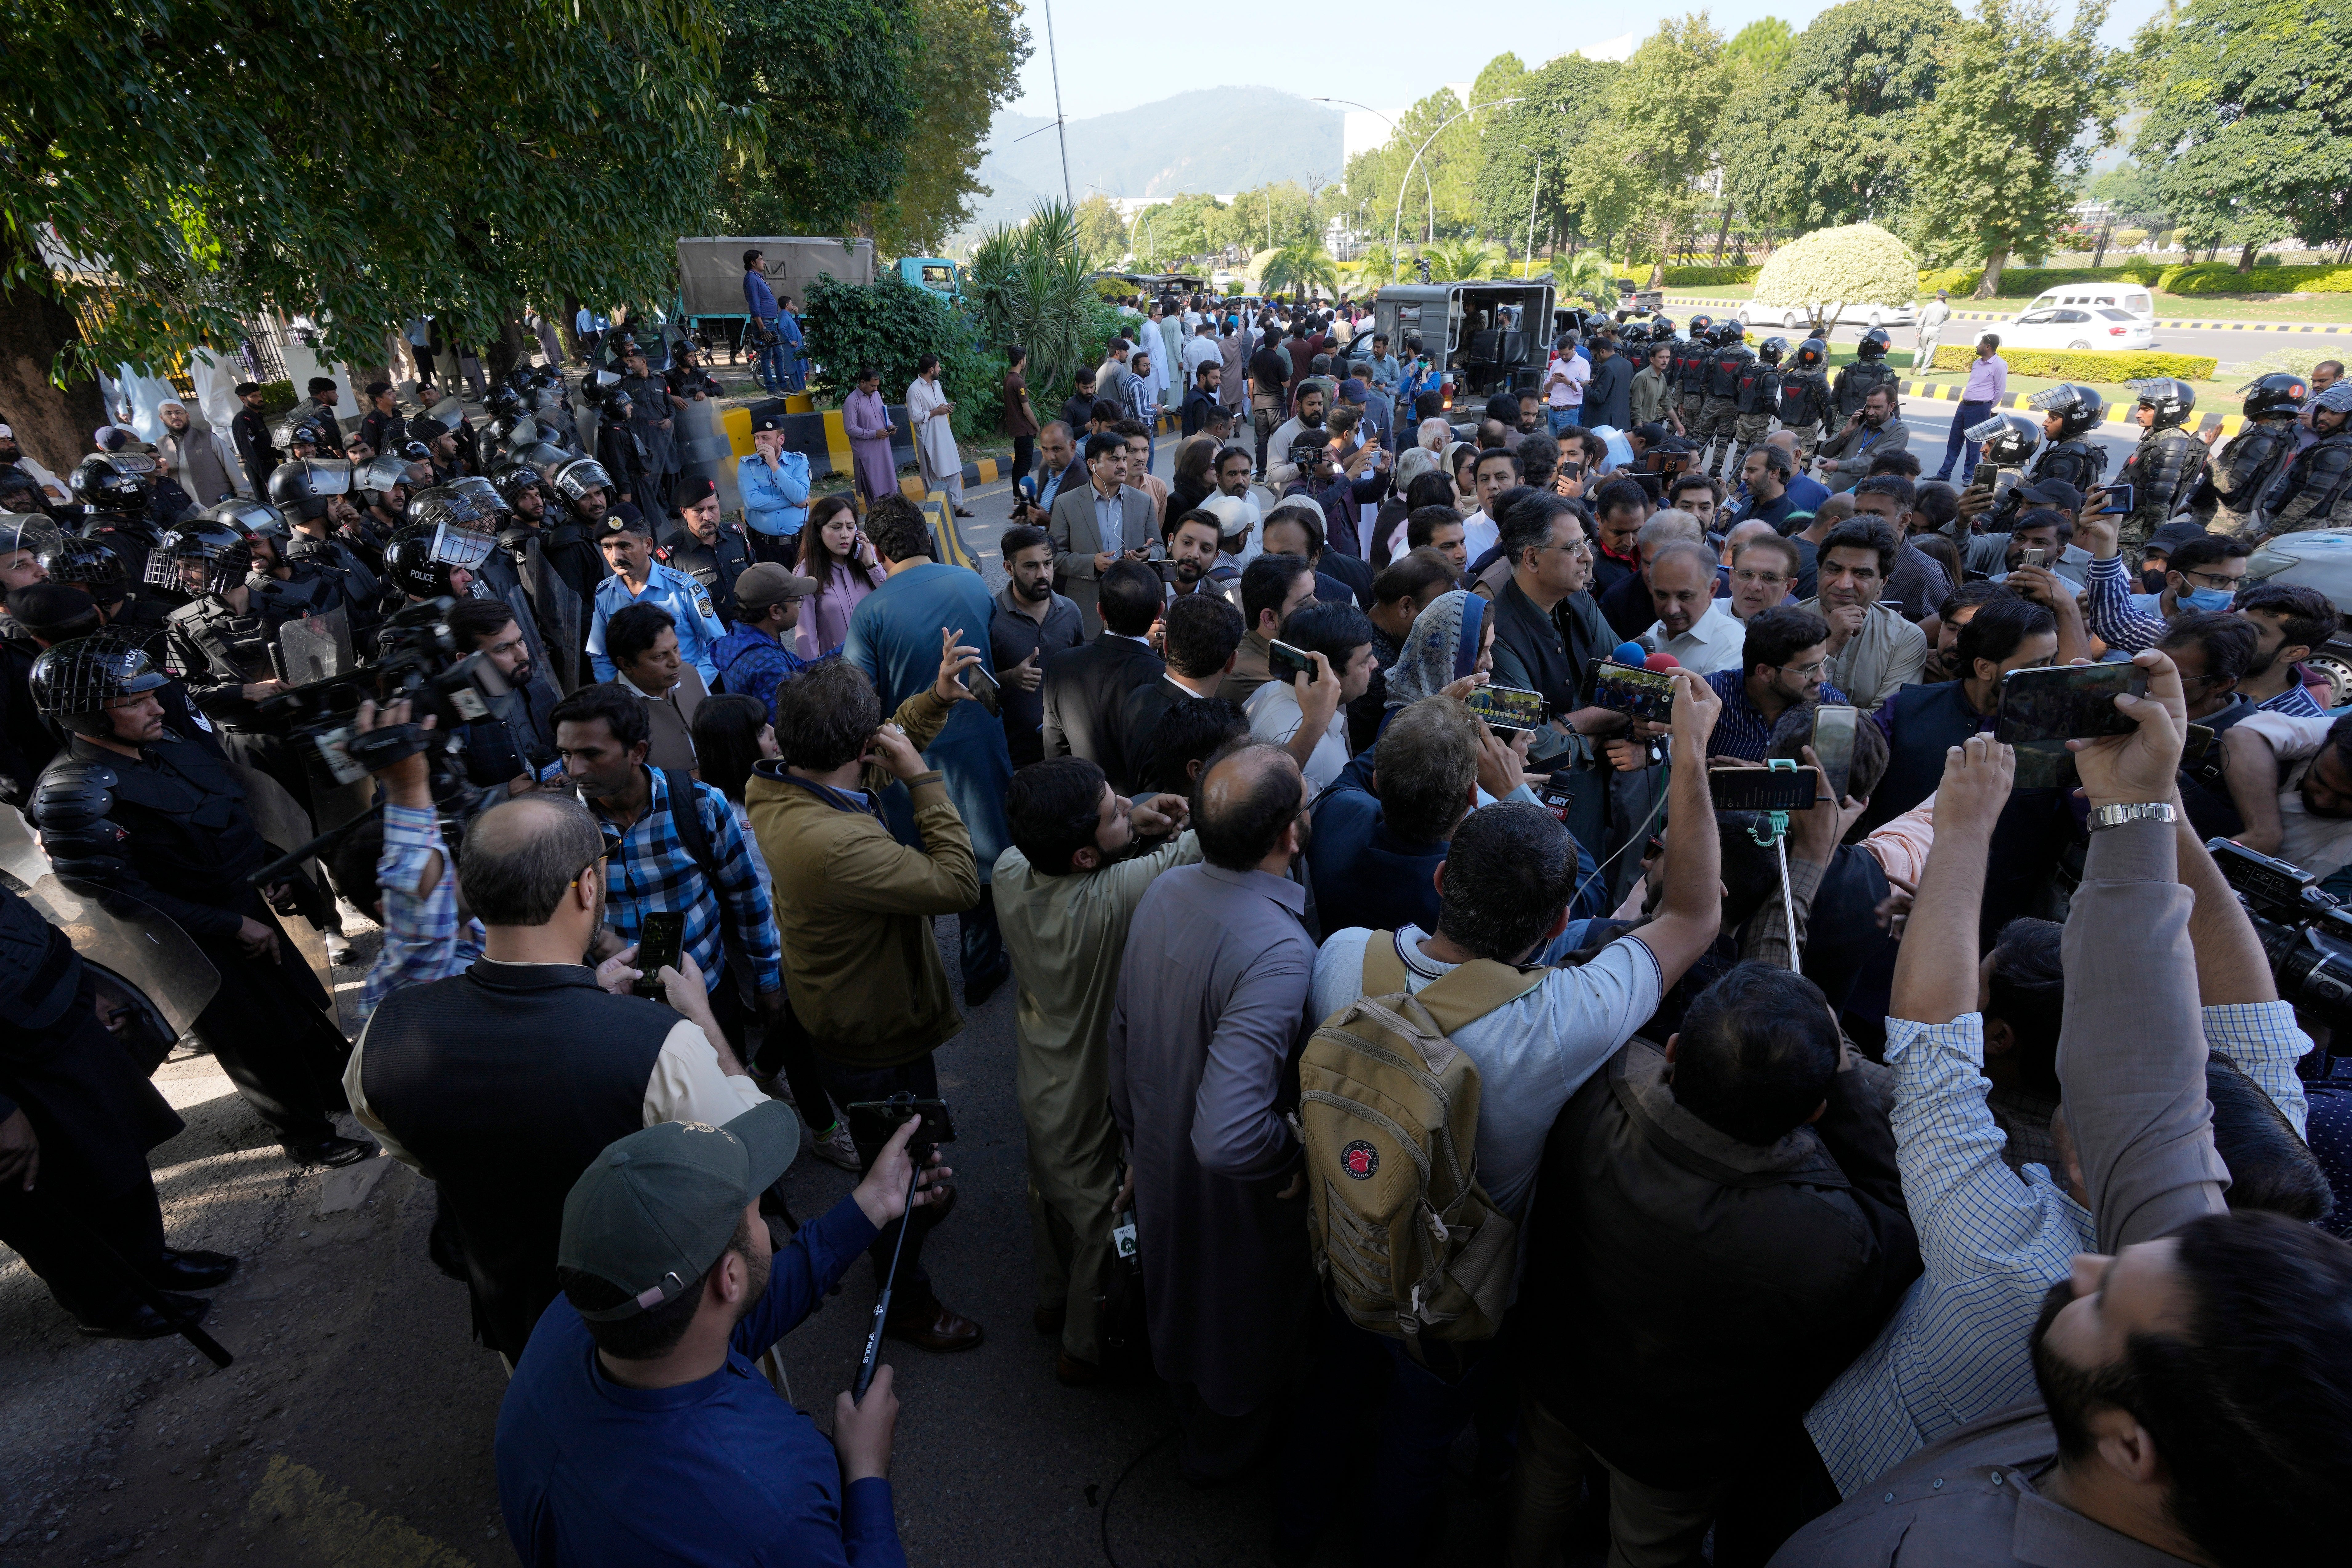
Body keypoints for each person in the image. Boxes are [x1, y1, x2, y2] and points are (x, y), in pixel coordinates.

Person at [1775, 654, 2352, 1568]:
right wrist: (2142, 807)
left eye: (2101, 1300)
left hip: (1839, 1470)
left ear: (2130, 1445)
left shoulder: (2006, 1258)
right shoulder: (2244, 1221)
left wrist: (1959, 831)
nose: (2084, 1265)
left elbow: (1930, 1049)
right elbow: (2244, 1022)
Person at [1298, 675, 1727, 1560]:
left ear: (1446, 877)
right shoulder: (1553, 1023)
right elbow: (1692, 911)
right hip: (1454, 1296)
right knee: (1418, 1444)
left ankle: (1298, 1527)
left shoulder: (1343, 958)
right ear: (1565, 919)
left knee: (1335, 1400)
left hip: (1344, 1239)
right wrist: (1689, 748)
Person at [1509, 948, 1918, 1568]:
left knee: (1539, 1487)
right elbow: (1894, 1217)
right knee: (1648, 1548)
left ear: (1673, 1050)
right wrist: (1844, 1079)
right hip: (1676, 1445)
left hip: (1560, 1371)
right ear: (1813, 1113)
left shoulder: (1599, 1096)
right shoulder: (1827, 1235)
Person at [346, 772, 766, 1361]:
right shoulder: (661, 1043)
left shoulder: (385, 1029)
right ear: (588, 887)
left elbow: (417, 1151)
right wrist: (701, 1018)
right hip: (653, 1328)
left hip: (517, 1320)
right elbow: (751, 1152)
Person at [496, 1102, 948, 1566]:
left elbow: (717, 1314)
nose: (762, 1223)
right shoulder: (771, 1510)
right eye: (756, 1211)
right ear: (729, 1277)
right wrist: (866, 1475)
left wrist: (870, 1206)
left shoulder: (584, 1313)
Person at [28, 638, 372, 1167]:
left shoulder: (165, 745)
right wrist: (229, 924)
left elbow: (230, 815)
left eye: (153, 695)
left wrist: (274, 869)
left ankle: (331, 1090)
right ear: (86, 712)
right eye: (136, 701)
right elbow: (121, 898)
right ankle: (306, 1134)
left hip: (247, 904)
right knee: (254, 1039)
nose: (157, 707)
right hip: (190, 939)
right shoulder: (73, 791)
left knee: (297, 1010)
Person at [746, 651, 988, 1352]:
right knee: (898, 1169)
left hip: (848, 1012)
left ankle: (917, 1192)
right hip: (873, 1035)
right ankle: (904, 1296)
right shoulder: (835, 843)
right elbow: (955, 883)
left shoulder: (782, 783)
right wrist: (922, 777)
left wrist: (932, 701)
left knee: (911, 1143)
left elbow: (866, 756)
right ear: (856, 747)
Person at [1108, 741, 1319, 1483]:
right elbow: (1230, 1137)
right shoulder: (1278, 951)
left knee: (1184, 1303)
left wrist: (1135, 1141)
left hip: (1161, 1156)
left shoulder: (1167, 891)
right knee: (1236, 1330)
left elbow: (1123, 1029)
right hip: (1233, 1200)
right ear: (1289, 836)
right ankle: (1228, 1461)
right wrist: (1294, 1152)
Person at [994, 760, 1197, 1384]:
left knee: (1047, 1195)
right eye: (1112, 811)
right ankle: (1081, 1347)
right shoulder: (1113, 899)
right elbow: (1223, 824)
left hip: (1040, 1079)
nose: (1125, 810)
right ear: (1084, 855)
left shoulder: (1009, 869)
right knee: (1103, 1222)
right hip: (1088, 1095)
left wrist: (1127, 815)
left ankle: (1050, 1298)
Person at [0, 877, 237, 1340]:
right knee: (46, 1195)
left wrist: (81, 983)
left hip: (48, 1013)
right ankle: (107, 1303)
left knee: (114, 1148)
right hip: (8, 1068)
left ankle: (145, 1260)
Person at [844, 497, 1016, 1002]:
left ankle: (919, 979)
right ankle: (982, 968)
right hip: (982, 744)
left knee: (914, 870)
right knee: (983, 863)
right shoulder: (969, 582)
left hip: (912, 756)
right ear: (927, 534)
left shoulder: (870, 610)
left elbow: (859, 695)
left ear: (877, 549)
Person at [1042, 559, 1164, 786]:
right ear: (1160, 611)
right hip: (1141, 810)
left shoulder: (1061, 665)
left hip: (1082, 802)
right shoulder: (1163, 679)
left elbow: (1055, 751)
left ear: (1100, 611)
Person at [1243, 600, 1376, 794]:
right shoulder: (1309, 759)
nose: (1376, 664)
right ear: (1326, 672)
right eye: (1365, 661)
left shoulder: (1270, 689)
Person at [586, 510, 726, 690]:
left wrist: (691, 685)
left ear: (648, 545)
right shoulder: (605, 594)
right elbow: (601, 655)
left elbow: (718, 644)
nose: (616, 557)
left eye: (625, 546)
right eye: (608, 547)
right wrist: (621, 695)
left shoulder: (682, 588)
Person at [1801, 518, 1927, 711]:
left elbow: (1885, 720)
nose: (1844, 584)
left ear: (1882, 583)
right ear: (1819, 572)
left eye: (1861, 574)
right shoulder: (1781, 623)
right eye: (1834, 570)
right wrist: (1830, 644)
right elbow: (1774, 702)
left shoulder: (1905, 638)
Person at [988, 524, 1084, 768]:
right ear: (1009, 568)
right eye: (1031, 566)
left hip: (1067, 753)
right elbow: (972, 687)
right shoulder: (990, 617)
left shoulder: (1071, 612)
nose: (1043, 574)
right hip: (1015, 758)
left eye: (1048, 564)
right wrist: (1009, 678)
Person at [1703, 606, 1851, 762]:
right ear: (1765, 672)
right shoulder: (1709, 697)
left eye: (1823, 663)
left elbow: (1841, 780)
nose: (1822, 677)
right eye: (1810, 669)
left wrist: (1768, 780)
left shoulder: (1831, 706)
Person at [1049, 431, 1156, 636]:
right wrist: (1092, 563)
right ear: (1092, 465)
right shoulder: (1066, 503)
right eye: (1114, 459)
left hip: (1133, 607)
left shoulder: (1143, 502)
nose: (1123, 465)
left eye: (1124, 459)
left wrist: (1148, 554)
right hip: (1087, 608)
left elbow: (1159, 547)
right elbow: (1054, 557)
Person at [598, 603, 705, 773]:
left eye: (676, 648)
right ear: (626, 664)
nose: (676, 662)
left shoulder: (691, 674)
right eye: (660, 656)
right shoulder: (609, 714)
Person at [709, 562, 822, 724]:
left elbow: (801, 667)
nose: (799, 606)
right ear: (775, 611)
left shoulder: (741, 637)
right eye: (797, 601)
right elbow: (792, 729)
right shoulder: (769, 665)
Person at [793, 494, 889, 659]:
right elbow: (806, 637)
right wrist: (810, 675)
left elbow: (892, 599)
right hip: (840, 673)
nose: (845, 535)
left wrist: (871, 566)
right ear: (818, 532)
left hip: (881, 659)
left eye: (850, 527)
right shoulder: (806, 573)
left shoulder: (868, 558)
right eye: (836, 528)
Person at [1218, 552, 1318, 707]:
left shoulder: (1295, 649)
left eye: (1313, 593)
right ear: (1270, 619)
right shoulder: (1242, 679)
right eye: (1304, 603)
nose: (1318, 605)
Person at [1638, 539, 1746, 675]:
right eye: (1662, 595)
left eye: (1685, 597)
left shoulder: (1732, 647)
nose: (1672, 610)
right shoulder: (1655, 631)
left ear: (1712, 590)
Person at [658, 478, 754, 626]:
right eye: (698, 511)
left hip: (751, 628)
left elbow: (755, 574)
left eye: (712, 508)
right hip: (710, 640)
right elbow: (670, 610)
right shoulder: (671, 555)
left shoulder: (736, 536)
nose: (707, 517)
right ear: (684, 512)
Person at [737, 399, 812, 552]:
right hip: (763, 544)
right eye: (757, 438)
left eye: (766, 438)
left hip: (798, 544)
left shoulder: (799, 461)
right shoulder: (747, 465)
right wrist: (790, 502)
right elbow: (752, 502)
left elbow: (799, 496)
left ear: (781, 440)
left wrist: (775, 466)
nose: (760, 443)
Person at [906, 354, 970, 518]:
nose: (940, 369)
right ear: (931, 369)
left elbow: (940, 404)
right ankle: (936, 510)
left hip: (944, 433)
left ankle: (956, 507)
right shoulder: (914, 390)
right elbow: (915, 417)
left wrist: (946, 408)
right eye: (938, 366)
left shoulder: (937, 384)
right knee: (933, 474)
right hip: (929, 438)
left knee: (954, 470)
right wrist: (936, 412)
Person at [1817, 387, 1909, 495]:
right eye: (1868, 407)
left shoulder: (1900, 431)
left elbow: (1873, 463)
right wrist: (1845, 432)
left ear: (1891, 407)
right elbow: (1825, 452)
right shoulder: (1859, 424)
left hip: (1864, 499)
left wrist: (1838, 465)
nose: (1870, 413)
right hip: (1834, 493)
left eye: (1877, 408)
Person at [841, 367, 898, 511]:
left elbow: (883, 414)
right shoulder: (852, 402)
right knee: (874, 490)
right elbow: (850, 429)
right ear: (862, 383)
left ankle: (891, 520)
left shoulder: (876, 395)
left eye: (877, 386)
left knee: (889, 485)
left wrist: (890, 425)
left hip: (883, 447)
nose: (875, 389)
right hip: (867, 453)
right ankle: (876, 523)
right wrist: (874, 434)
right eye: (873, 386)